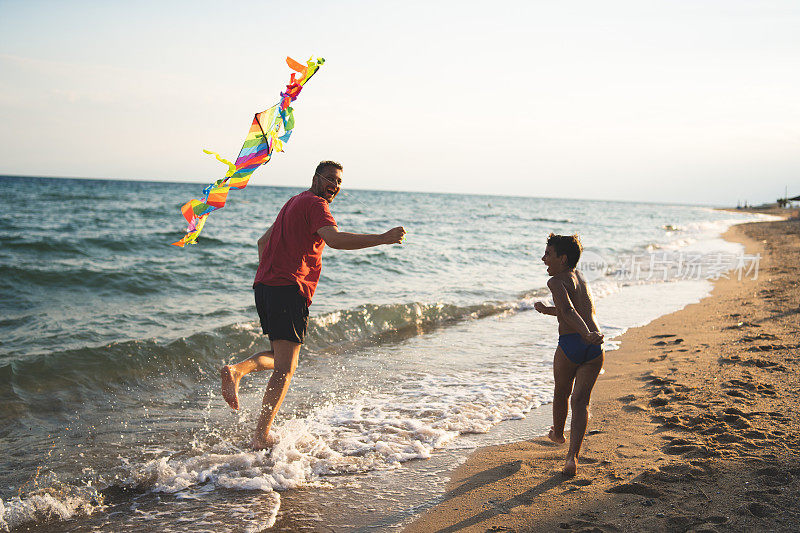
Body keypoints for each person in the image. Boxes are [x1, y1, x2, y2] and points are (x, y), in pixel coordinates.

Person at [220, 160, 406, 450]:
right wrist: (382, 238)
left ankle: (239, 372)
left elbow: (261, 243)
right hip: (287, 288)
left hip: (266, 287)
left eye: (339, 182)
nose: (335, 185)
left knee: (284, 359)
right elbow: (333, 240)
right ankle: (260, 433)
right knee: (286, 368)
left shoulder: (293, 202)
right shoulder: (316, 204)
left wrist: (273, 271)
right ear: (316, 178)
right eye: (330, 179)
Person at [534, 233, 604, 477]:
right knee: (581, 402)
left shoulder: (555, 282)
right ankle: (572, 457)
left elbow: (568, 310)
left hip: (574, 342)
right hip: (596, 344)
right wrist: (546, 311)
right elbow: (575, 309)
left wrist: (583, 334)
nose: (544, 259)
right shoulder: (581, 277)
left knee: (561, 392)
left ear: (562, 259)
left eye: (548, 254)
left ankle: (558, 433)